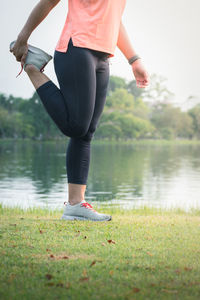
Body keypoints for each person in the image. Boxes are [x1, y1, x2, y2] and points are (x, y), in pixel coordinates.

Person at [9, 0, 150, 221]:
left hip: (103, 56)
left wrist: (134, 60)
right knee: (77, 126)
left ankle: (75, 205)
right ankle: (33, 68)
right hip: (77, 49)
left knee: (87, 133)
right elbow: (47, 3)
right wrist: (22, 38)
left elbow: (114, 20)